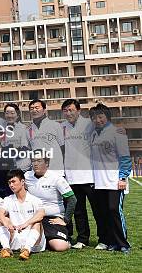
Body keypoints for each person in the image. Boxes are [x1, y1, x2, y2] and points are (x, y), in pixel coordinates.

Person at [89, 103, 131, 253]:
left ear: (107, 117)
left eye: (100, 116)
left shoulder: (117, 132)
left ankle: (124, 243)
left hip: (114, 181)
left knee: (114, 211)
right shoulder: (94, 134)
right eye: (94, 117)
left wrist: (123, 178)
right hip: (99, 182)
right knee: (105, 213)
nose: (98, 120)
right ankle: (112, 242)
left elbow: (125, 157)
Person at [61, 99, 98, 249]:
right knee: (78, 211)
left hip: (90, 176)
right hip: (71, 177)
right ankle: (82, 239)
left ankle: (104, 238)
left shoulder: (90, 125)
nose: (68, 113)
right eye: (66, 111)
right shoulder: (61, 127)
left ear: (79, 110)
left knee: (97, 210)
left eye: (71, 110)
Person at [25, 158, 76, 252]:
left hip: (51, 219)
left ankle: (56, 239)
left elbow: (72, 199)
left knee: (60, 247)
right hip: (33, 218)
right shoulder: (27, 176)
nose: (35, 164)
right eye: (33, 161)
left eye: (39, 161)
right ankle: (44, 239)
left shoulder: (57, 178)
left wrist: (65, 220)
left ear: (47, 163)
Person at [0, 169, 45, 260]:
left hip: (33, 241)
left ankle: (27, 250)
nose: (11, 185)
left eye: (14, 182)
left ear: (22, 182)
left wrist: (26, 224)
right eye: (9, 182)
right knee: (3, 219)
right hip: (15, 236)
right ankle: (6, 249)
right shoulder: (8, 199)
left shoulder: (34, 199)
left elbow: (41, 214)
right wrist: (7, 223)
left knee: (37, 222)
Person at [28, 99, 65, 176]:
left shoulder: (55, 125)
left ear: (44, 110)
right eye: (31, 108)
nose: (34, 110)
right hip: (39, 172)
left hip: (56, 170)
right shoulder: (28, 130)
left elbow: (63, 147)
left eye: (37, 107)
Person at [2, 103, 31, 171]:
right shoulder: (1, 129)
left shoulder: (24, 128)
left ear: (17, 115)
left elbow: (24, 148)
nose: (9, 116)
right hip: (6, 166)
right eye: (7, 113)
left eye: (12, 113)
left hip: (22, 166)